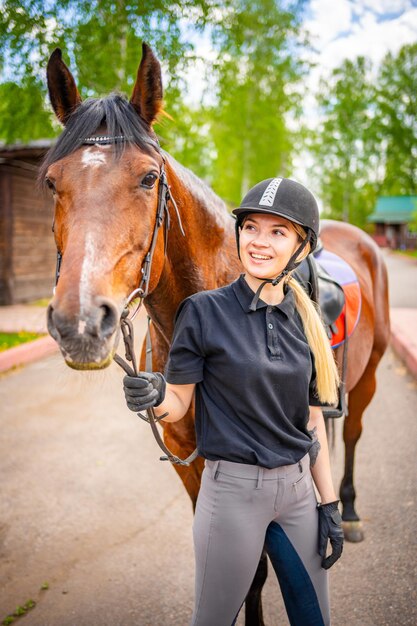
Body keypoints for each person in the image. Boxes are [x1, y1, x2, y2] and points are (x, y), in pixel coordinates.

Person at [123, 177, 344, 626]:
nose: (259, 242)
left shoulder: (307, 319)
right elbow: (179, 405)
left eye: (278, 232)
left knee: (314, 619)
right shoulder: (202, 312)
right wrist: (156, 394)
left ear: (302, 249)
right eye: (251, 228)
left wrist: (330, 502)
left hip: (300, 494)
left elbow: (313, 422)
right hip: (231, 495)